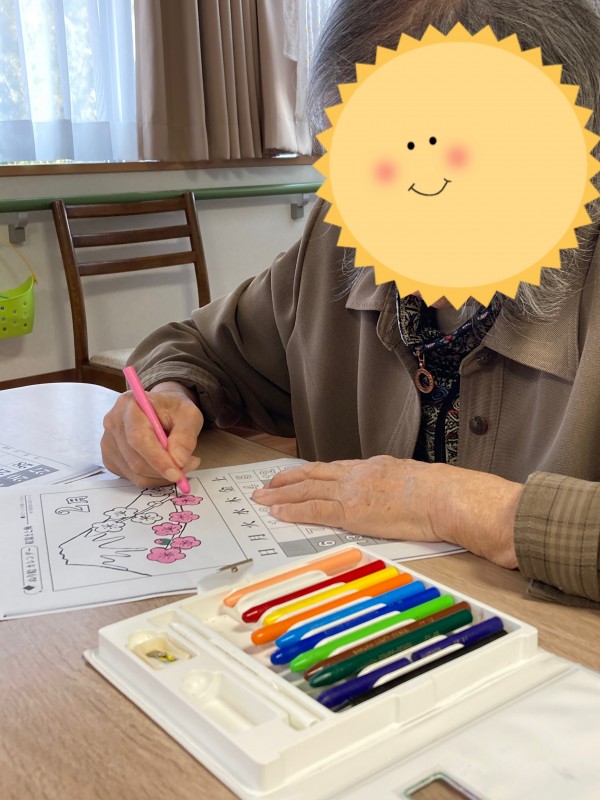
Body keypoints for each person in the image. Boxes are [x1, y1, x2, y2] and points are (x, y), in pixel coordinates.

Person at [102, 0, 600, 607]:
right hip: (352, 626)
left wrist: (470, 507)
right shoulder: (340, 240)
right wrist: (168, 396)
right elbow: (199, 347)